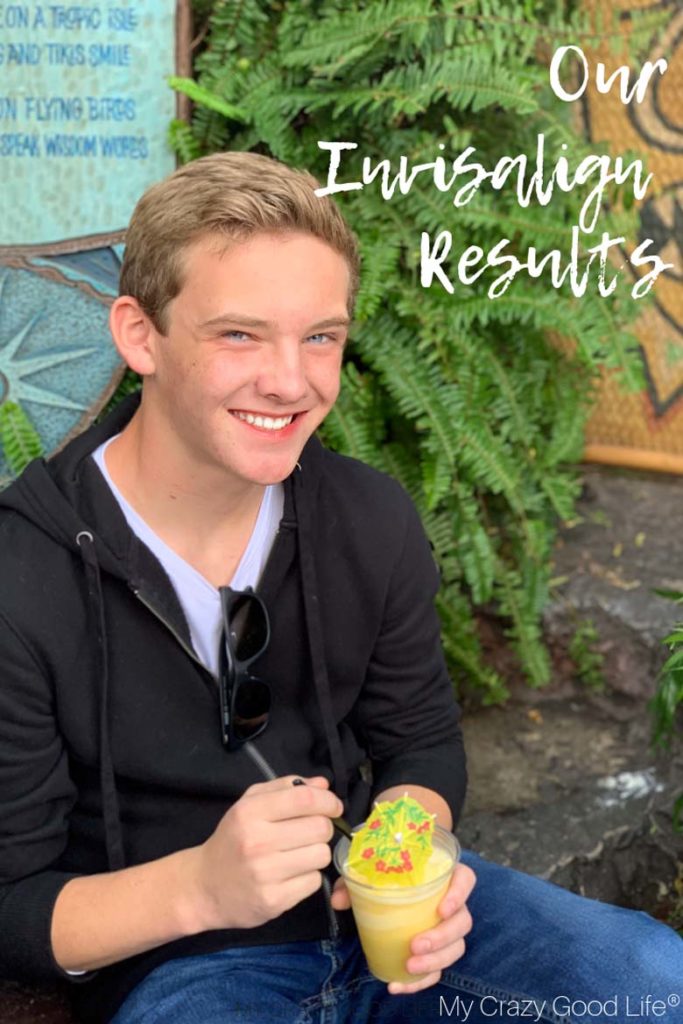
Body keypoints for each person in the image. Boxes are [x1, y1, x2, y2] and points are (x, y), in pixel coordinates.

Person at [0, 152, 680, 1024]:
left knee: (654, 981)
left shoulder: (367, 518)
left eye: (320, 335)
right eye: (239, 334)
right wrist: (203, 889)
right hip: (185, 968)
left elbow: (420, 744)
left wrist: (411, 857)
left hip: (380, 930)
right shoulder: (24, 577)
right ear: (140, 336)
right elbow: (14, 907)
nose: (292, 381)